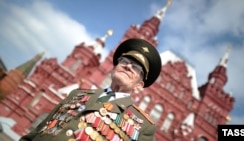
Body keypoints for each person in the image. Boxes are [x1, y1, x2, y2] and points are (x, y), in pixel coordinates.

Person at [19, 38, 162, 141]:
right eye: (125, 61)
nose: (128, 66)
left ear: (139, 85)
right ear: (114, 68)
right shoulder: (77, 95)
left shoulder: (142, 127)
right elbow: (36, 133)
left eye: (136, 68)